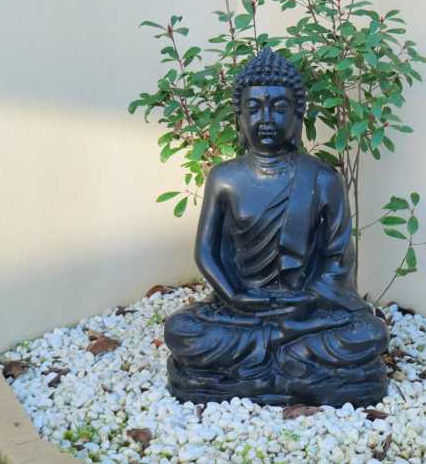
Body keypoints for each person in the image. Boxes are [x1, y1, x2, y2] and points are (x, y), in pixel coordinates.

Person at [164, 48, 388, 406]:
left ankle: (264, 359)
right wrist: (234, 296)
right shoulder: (225, 178)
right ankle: (289, 354)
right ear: (239, 116)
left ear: (298, 115)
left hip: (305, 306)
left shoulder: (322, 178)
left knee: (369, 333)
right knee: (182, 330)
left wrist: (308, 300)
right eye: (254, 108)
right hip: (241, 306)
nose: (266, 118)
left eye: (279, 107)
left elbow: (337, 260)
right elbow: (206, 253)